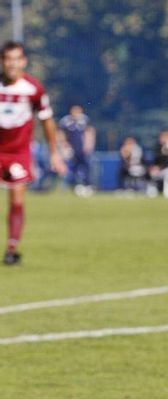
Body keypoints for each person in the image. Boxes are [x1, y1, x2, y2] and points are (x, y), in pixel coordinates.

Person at [0, 41, 66, 266]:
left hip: (17, 153)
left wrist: (54, 153)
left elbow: (47, 121)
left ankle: (11, 249)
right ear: (2, 61)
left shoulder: (33, 89)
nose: (12, 64)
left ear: (24, 61)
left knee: (16, 201)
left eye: (16, 59)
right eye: (8, 59)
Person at [58, 105, 95, 197]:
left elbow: (89, 131)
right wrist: (64, 144)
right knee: (72, 168)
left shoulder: (84, 120)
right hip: (72, 149)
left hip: (82, 148)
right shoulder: (66, 121)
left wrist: (88, 144)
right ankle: (73, 186)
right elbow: (60, 133)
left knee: (87, 167)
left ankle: (88, 185)